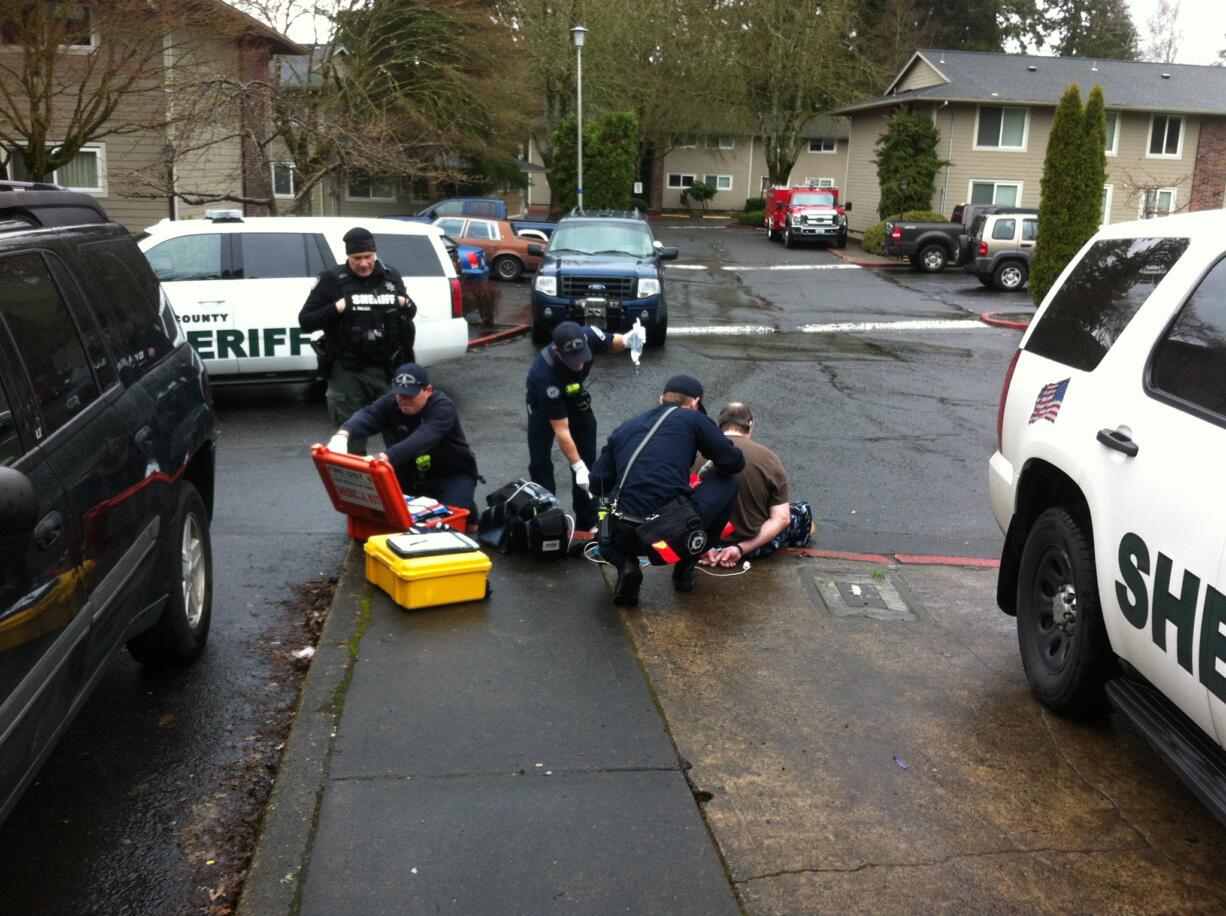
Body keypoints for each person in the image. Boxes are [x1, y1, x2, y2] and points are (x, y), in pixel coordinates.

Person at [590, 374, 745, 606]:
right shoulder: (693, 419)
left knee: (605, 522)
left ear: (661, 398)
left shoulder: (626, 428)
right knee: (728, 482)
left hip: (617, 537)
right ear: (695, 403)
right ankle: (685, 568)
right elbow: (733, 463)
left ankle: (626, 566)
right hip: (666, 538)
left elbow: (597, 481)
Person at [300, 226, 416, 454]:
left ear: (375, 254)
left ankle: (403, 482)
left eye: (368, 257)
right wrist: (337, 307)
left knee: (399, 432)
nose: (363, 263)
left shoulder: (391, 276)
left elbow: (408, 312)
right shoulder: (332, 280)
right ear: (348, 256)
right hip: (348, 371)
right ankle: (358, 485)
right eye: (357, 258)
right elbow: (306, 320)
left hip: (387, 368)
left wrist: (405, 304)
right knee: (351, 436)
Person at [525, 320, 645, 533]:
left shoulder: (589, 335)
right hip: (543, 408)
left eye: (581, 357)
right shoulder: (545, 377)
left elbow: (611, 343)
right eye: (573, 361)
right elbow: (561, 430)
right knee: (540, 460)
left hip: (575, 396)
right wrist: (577, 466)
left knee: (588, 455)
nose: (579, 364)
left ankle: (586, 520)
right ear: (559, 352)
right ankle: (547, 515)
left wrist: (628, 340)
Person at [327, 362, 479, 515]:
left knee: (450, 515)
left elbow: (423, 437)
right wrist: (342, 434)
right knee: (378, 512)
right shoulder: (391, 401)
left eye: (410, 395)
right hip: (408, 473)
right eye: (401, 394)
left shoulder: (443, 407)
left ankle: (467, 506)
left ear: (427, 390)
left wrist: (383, 457)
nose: (404, 400)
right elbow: (368, 415)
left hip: (449, 474)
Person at [697, 402, 810, 569]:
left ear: (719, 425)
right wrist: (739, 548)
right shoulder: (768, 458)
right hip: (753, 548)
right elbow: (782, 519)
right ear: (750, 425)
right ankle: (797, 552)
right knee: (801, 510)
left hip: (703, 544)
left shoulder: (698, 454)